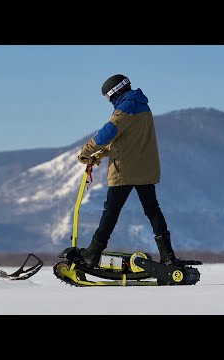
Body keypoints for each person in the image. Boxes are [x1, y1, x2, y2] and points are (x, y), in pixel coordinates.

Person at [77, 74, 177, 267]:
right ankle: (168, 256)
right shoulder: (143, 106)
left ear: (115, 92)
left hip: (124, 171)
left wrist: (86, 151)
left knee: (111, 211)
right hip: (146, 169)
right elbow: (127, 141)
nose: (109, 101)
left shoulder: (124, 109)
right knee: (152, 210)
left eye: (108, 97)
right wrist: (101, 155)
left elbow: (107, 134)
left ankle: (93, 253)